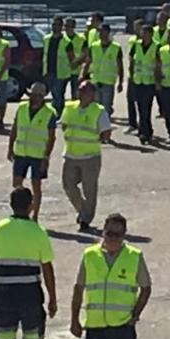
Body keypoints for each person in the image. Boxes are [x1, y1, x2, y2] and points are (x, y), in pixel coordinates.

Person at [0, 188, 57, 339]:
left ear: (11, 205)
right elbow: (47, 269)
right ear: (31, 206)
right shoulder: (38, 232)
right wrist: (52, 298)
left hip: (2, 295)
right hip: (30, 296)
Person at [70, 213, 152, 339]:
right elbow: (78, 289)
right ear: (103, 232)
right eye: (109, 233)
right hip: (95, 326)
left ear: (124, 234)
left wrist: (136, 314)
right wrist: (74, 320)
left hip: (123, 327)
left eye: (117, 234)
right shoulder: (89, 255)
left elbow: (146, 288)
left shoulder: (134, 256)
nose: (113, 238)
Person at [61, 81, 112, 232]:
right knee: (68, 185)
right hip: (71, 154)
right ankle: (82, 211)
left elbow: (106, 132)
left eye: (84, 91)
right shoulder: (70, 107)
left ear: (92, 94)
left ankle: (86, 219)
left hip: (90, 156)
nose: (81, 93)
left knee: (89, 190)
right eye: (80, 90)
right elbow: (64, 124)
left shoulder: (99, 110)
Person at [8, 83, 57, 222]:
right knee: (16, 184)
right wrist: (10, 147)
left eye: (38, 96)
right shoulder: (22, 108)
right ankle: (20, 210)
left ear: (43, 97)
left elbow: (52, 138)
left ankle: (34, 215)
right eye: (32, 95)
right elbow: (15, 128)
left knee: (36, 186)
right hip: (21, 153)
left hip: (38, 155)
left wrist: (46, 157)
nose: (34, 98)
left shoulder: (49, 114)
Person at [84, 24, 124, 116]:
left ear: (108, 32)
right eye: (99, 31)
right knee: (95, 105)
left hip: (108, 82)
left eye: (103, 31)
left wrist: (120, 82)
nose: (101, 34)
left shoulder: (116, 47)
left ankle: (105, 125)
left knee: (106, 106)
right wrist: (83, 76)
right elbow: (88, 63)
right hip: (95, 80)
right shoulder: (94, 46)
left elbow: (120, 66)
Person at [129, 23, 157, 144]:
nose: (143, 35)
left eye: (146, 33)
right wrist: (131, 76)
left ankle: (144, 132)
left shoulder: (156, 46)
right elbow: (131, 61)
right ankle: (146, 130)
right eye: (142, 33)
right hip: (138, 80)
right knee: (140, 107)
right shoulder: (136, 45)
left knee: (146, 108)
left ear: (151, 34)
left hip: (149, 82)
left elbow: (158, 64)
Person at [44, 16, 76, 114]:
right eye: (53, 24)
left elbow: (72, 58)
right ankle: (57, 112)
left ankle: (58, 113)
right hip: (49, 71)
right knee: (54, 94)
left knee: (57, 94)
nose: (55, 27)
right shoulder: (46, 39)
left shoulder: (67, 42)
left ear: (61, 27)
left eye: (57, 25)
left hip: (61, 73)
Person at [125, 20, 143, 133]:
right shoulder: (132, 40)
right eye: (135, 27)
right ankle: (132, 123)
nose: (137, 30)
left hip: (143, 77)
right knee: (130, 100)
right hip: (132, 75)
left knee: (142, 103)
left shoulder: (146, 42)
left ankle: (142, 124)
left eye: (139, 27)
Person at [65, 18, 88, 99]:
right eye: (66, 26)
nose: (68, 28)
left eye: (70, 26)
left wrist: (77, 63)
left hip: (76, 70)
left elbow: (85, 54)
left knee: (76, 94)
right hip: (62, 71)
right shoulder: (61, 38)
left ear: (74, 26)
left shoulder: (81, 38)